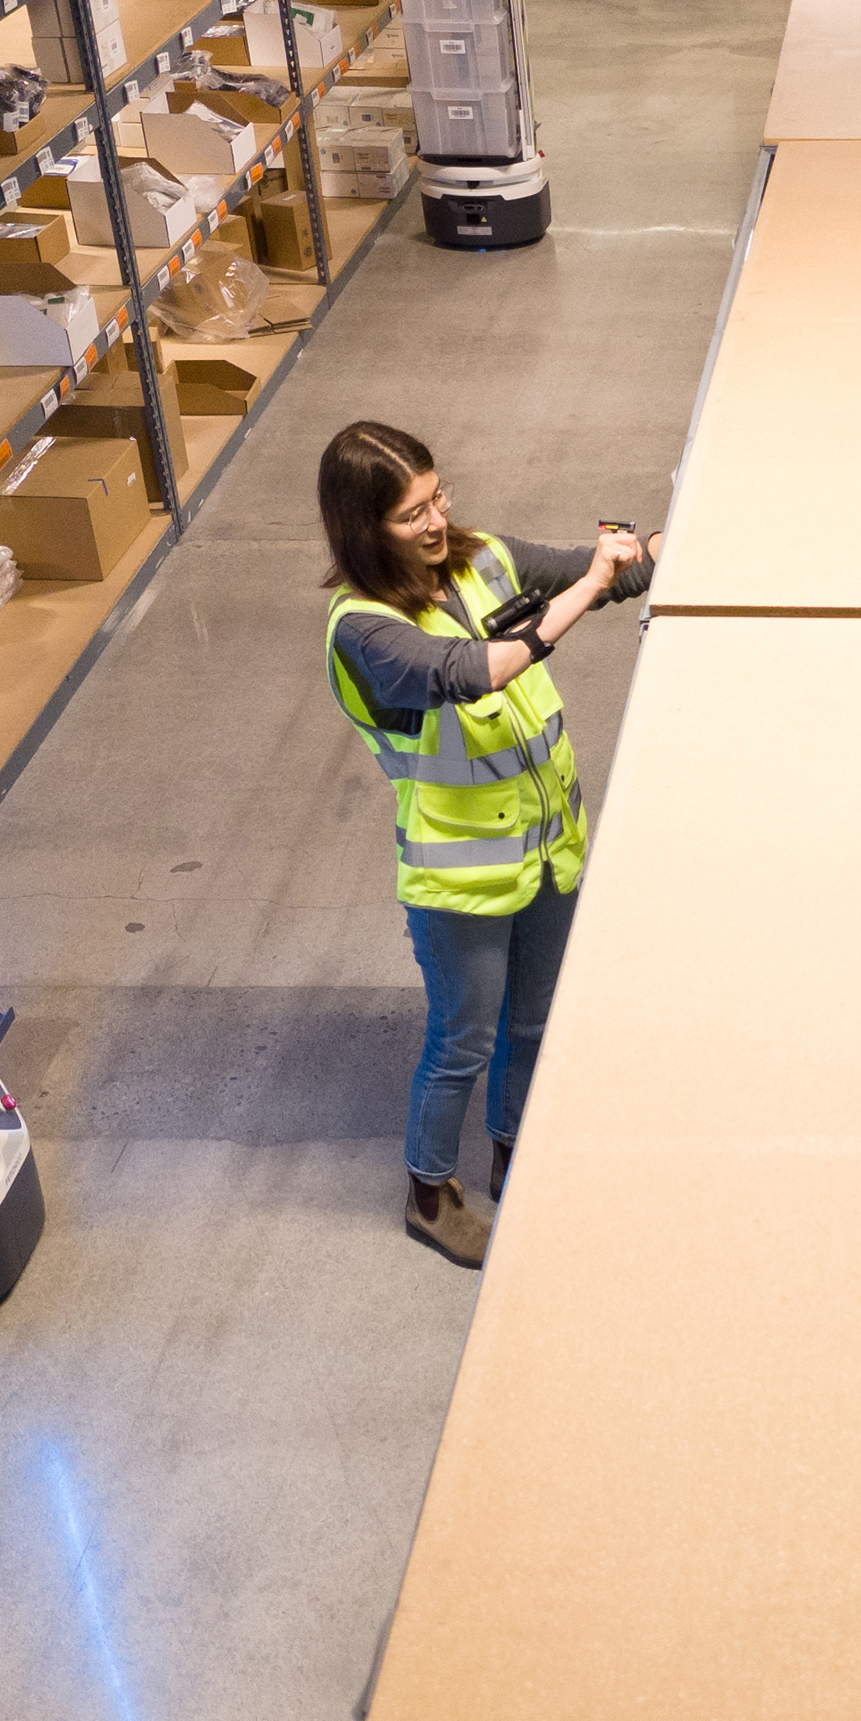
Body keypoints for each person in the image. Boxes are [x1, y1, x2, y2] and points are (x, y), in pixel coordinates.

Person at [316, 421, 646, 1268]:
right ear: (363, 528)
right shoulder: (363, 629)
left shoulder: (483, 556)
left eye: (438, 496)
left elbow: (598, 569)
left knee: (533, 1024)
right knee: (463, 1036)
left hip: (547, 847)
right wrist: (578, 599)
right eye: (410, 514)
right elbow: (470, 673)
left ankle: (516, 1156)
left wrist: (639, 552)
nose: (435, 522)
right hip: (461, 878)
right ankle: (430, 1192)